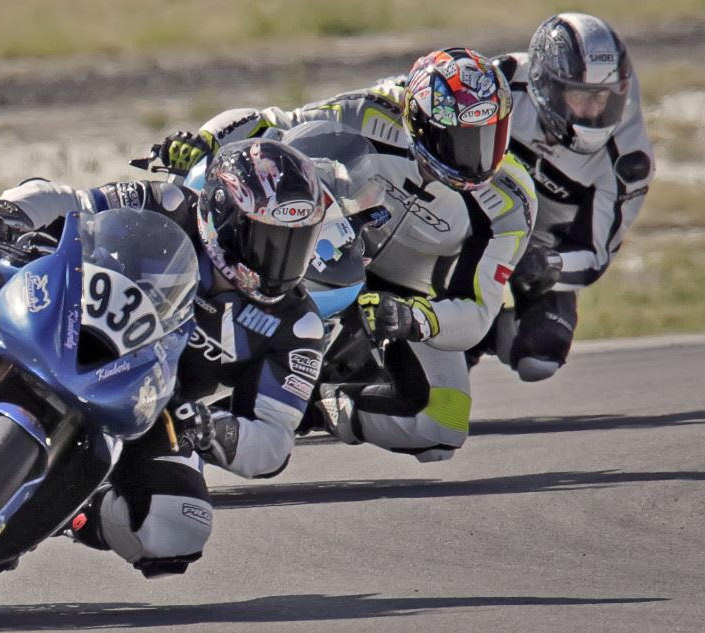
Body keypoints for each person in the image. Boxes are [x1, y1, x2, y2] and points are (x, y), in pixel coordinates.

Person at [0, 139, 327, 577]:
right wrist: (6, 216)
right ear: (222, 215)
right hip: (64, 316)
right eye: (266, 238)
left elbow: (274, 440)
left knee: (176, 529)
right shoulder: (167, 202)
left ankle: (68, 510)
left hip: (150, 405)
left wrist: (211, 431)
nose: (279, 259)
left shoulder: (298, 325)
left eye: (295, 242)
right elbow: (67, 199)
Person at [161, 47, 537, 462]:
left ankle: (312, 407)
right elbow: (273, 124)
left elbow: (478, 312)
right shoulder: (372, 111)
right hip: (330, 250)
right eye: (460, 138)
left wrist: (415, 318)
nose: (476, 157)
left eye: (489, 134)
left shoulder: (511, 200)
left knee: (441, 425)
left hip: (412, 301)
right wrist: (205, 140)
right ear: (419, 120)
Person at [467, 12, 654, 381]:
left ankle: (485, 332)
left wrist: (547, 264)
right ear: (545, 84)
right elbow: (422, 101)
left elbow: (595, 255)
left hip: (536, 250)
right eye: (578, 96)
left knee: (540, 359)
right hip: (466, 218)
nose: (592, 111)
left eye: (602, 97)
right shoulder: (499, 81)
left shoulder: (628, 160)